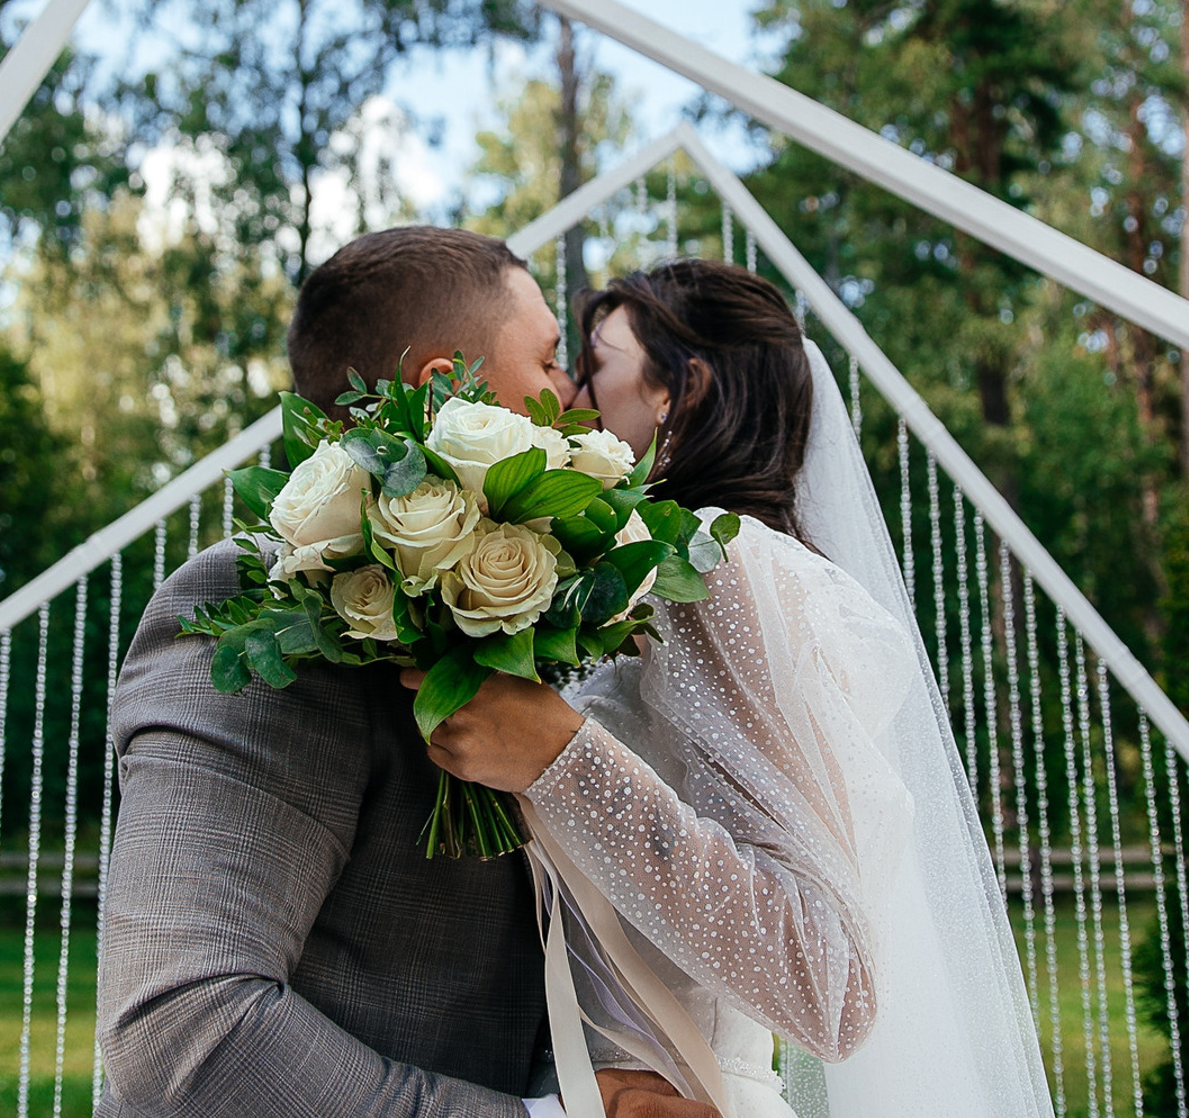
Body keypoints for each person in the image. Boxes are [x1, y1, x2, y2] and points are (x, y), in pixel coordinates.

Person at [95, 226, 715, 1118]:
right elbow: (184, 1028)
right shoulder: (263, 608)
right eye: (545, 362)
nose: (572, 400)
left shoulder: (530, 621)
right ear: (448, 389)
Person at [413, 259, 1053, 1118]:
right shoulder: (649, 587)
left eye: (594, 363)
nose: (566, 392)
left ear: (681, 389)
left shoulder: (721, 567)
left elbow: (827, 985)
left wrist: (562, 757)